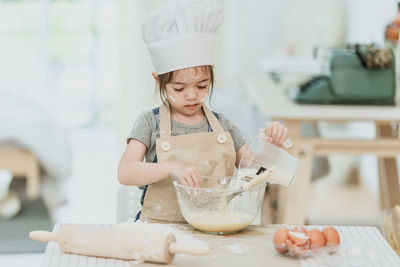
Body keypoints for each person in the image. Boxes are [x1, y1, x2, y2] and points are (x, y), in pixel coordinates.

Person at [118, 0, 289, 223]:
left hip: (214, 226)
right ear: (158, 80)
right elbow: (125, 172)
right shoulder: (151, 123)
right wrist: (172, 167)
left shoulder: (223, 127)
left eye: (202, 85)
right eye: (179, 88)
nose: (191, 96)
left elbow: (255, 171)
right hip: (158, 229)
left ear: (211, 76)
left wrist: (272, 145)